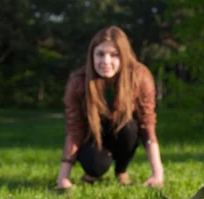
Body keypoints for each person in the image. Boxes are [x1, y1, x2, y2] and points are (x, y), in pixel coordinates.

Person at [56, 26, 164, 190]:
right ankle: (92, 173)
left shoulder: (140, 76)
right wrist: (63, 177)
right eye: (100, 54)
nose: (106, 61)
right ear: (91, 55)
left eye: (114, 55)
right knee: (96, 165)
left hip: (122, 133)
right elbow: (74, 128)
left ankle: (121, 171)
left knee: (129, 128)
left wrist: (157, 173)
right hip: (93, 136)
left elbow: (147, 125)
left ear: (124, 56)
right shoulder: (78, 81)